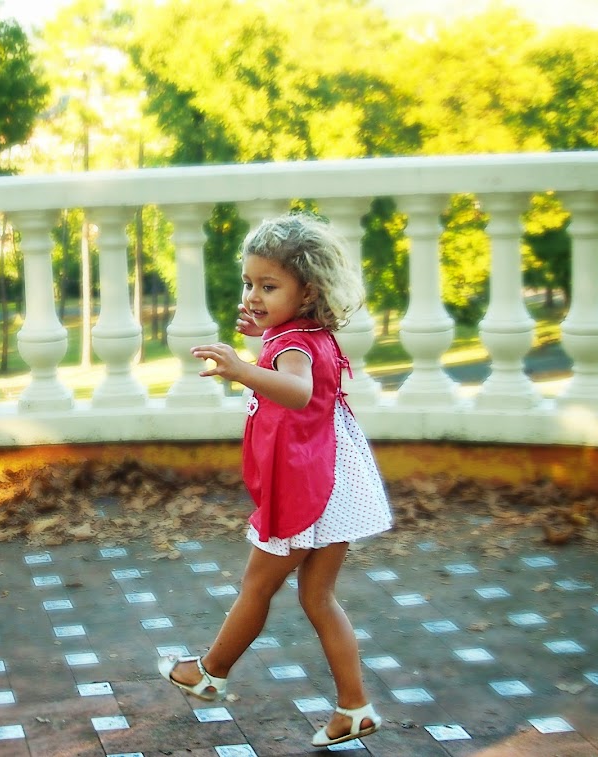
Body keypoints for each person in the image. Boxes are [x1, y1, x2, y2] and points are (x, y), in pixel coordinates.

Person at [157, 212, 392, 748]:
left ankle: (210, 672)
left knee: (258, 586)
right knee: (319, 597)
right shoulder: (307, 332)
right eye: (250, 283)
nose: (255, 294)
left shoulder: (292, 348)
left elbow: (296, 391)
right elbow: (296, 367)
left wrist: (242, 367)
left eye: (269, 285)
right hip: (337, 481)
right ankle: (354, 707)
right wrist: (264, 333)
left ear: (307, 289)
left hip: (308, 490)